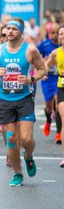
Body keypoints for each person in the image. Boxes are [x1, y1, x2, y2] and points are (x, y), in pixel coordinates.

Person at [0, 17, 46, 186]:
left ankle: (28, 156)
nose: (10, 32)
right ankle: (17, 172)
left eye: (14, 29)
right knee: (11, 138)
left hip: (24, 99)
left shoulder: (30, 50)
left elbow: (42, 69)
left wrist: (31, 79)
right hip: (5, 99)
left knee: (26, 139)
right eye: (8, 29)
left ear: (21, 32)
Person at [38, 22, 61, 143]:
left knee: (58, 105)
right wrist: (42, 66)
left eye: (57, 32)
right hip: (48, 79)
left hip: (59, 77)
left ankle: (58, 133)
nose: (55, 35)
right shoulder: (45, 44)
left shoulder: (62, 46)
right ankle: (48, 120)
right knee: (48, 106)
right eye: (52, 33)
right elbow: (35, 56)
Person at [45, 25, 64, 166]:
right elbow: (45, 65)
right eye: (61, 34)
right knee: (63, 117)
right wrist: (43, 73)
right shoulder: (55, 52)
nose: (63, 36)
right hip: (62, 86)